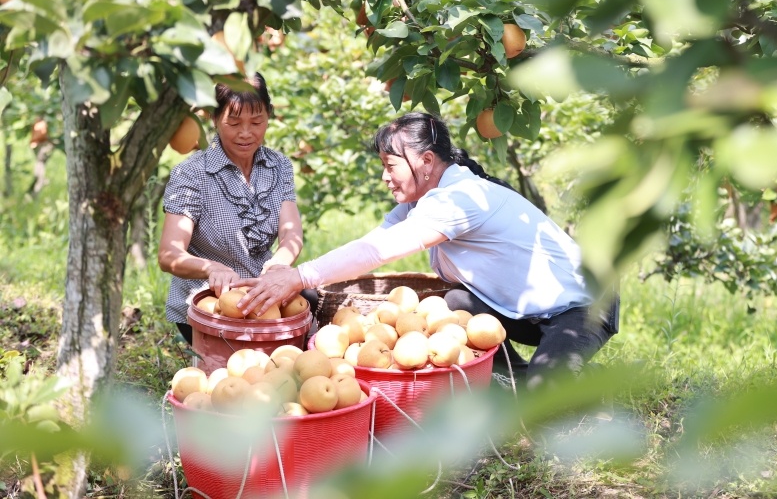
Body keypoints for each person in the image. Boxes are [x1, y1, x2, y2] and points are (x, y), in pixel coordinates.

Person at [239, 111, 618, 391]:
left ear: (425, 161)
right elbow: (372, 240)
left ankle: (578, 383)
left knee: (543, 397)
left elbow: (380, 252)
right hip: (531, 311)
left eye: (390, 166)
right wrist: (296, 274)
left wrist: (302, 275)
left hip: (584, 305)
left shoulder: (461, 199)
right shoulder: (422, 201)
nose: (385, 177)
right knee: (455, 301)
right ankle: (515, 376)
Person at [157, 72, 317, 345]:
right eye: (234, 122)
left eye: (256, 122)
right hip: (211, 302)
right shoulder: (192, 174)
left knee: (313, 302)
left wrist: (279, 265)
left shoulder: (278, 166)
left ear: (269, 115)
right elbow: (169, 254)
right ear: (215, 118)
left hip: (264, 294)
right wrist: (211, 268)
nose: (246, 133)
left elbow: (291, 234)